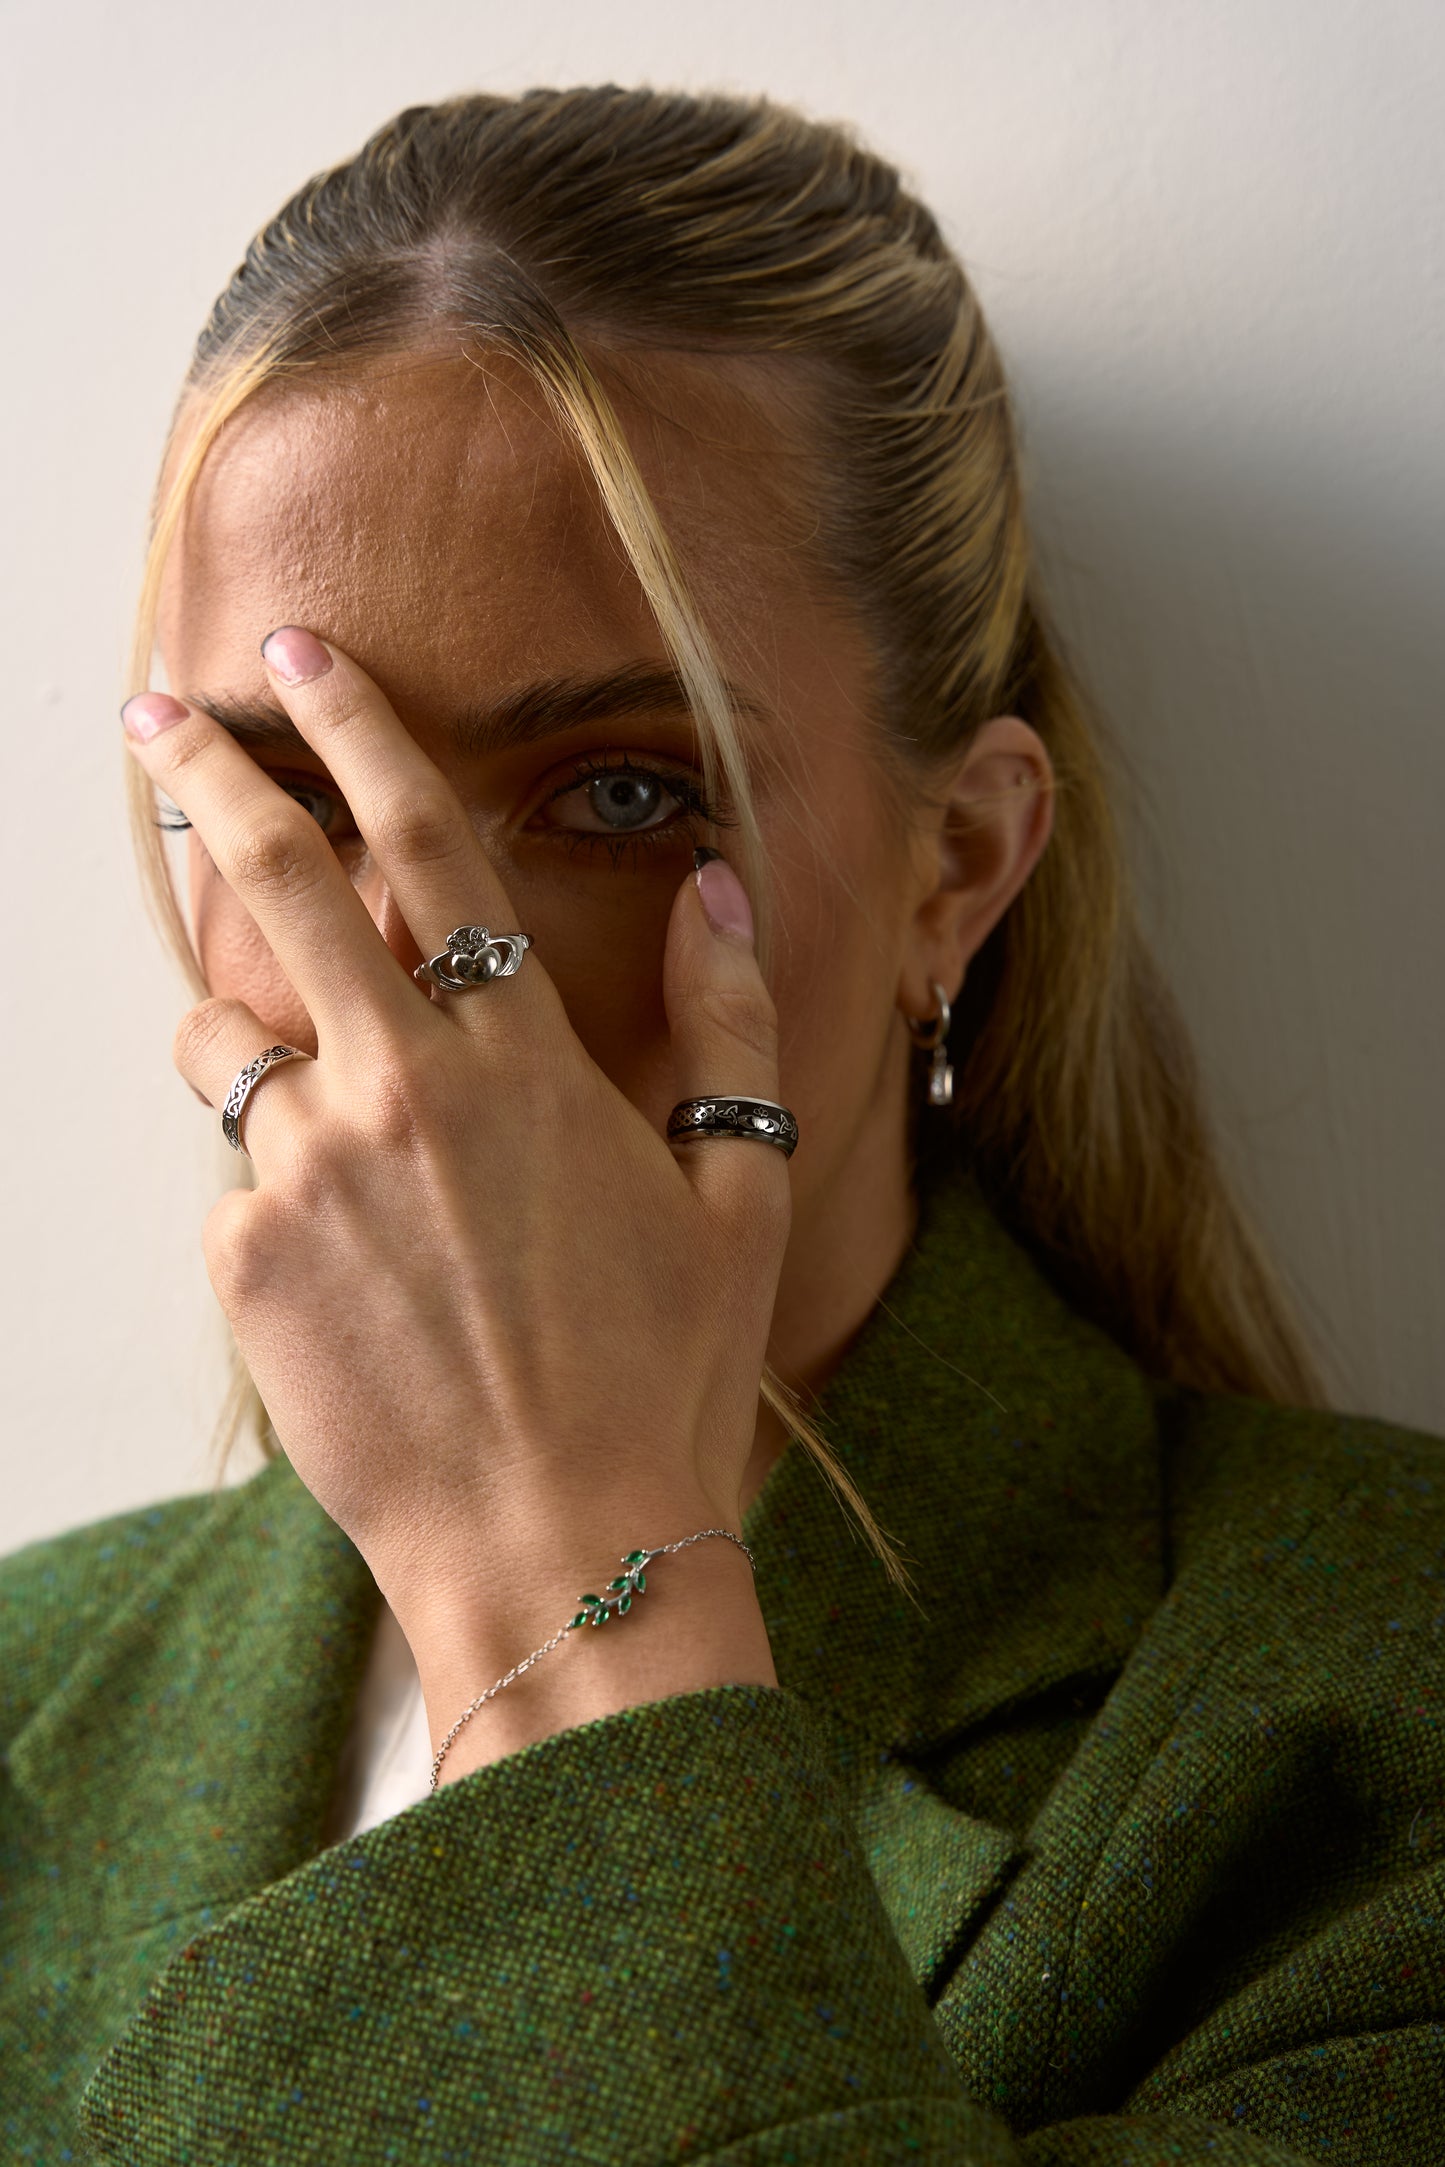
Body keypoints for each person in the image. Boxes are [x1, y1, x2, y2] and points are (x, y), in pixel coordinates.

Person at [2, 83, 1439, 2165]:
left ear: (960, 863)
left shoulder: (1380, 1710)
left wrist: (572, 1586)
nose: (404, 965)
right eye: (286, 800)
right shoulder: (31, 1699)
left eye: (617, 793)